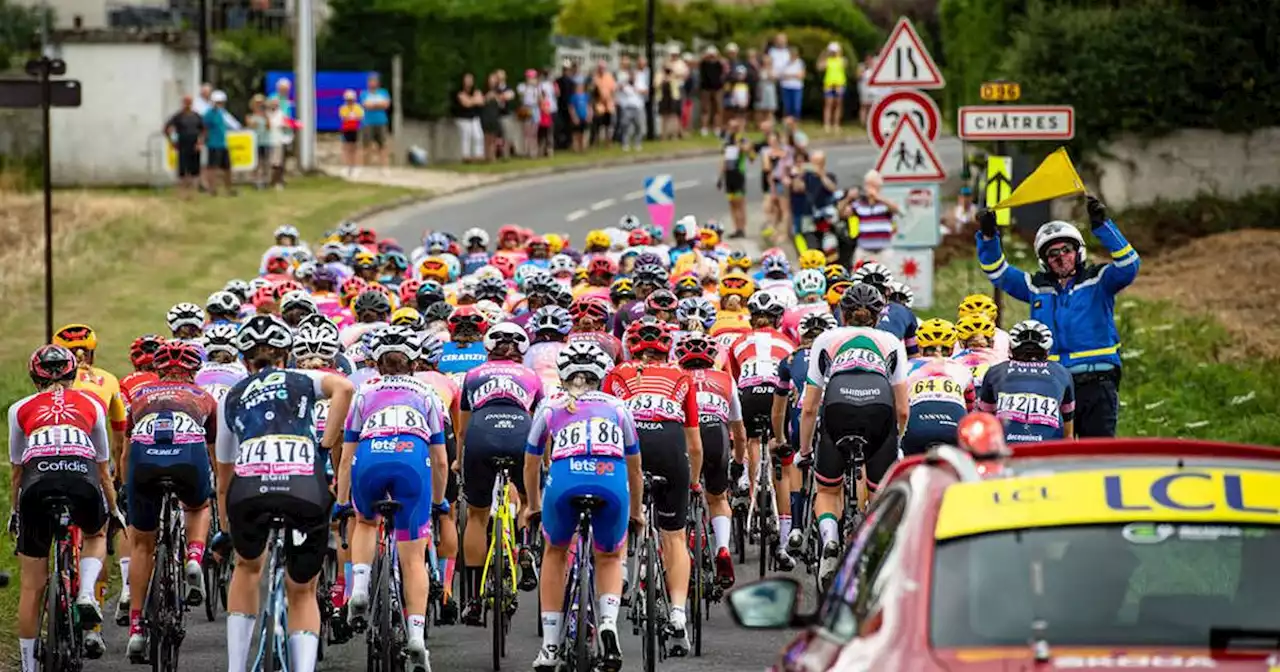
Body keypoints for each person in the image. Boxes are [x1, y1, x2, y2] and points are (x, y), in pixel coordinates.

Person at [213, 315, 354, 672]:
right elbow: (346, 389)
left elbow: (224, 474)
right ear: (286, 355)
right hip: (303, 484)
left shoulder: (233, 394)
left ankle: (235, 667)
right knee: (303, 589)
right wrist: (326, 443)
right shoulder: (302, 378)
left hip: (249, 489)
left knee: (246, 566)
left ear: (245, 360)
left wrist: (227, 526)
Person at [523, 342, 642, 672]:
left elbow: (531, 464)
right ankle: (607, 623)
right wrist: (637, 511)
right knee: (610, 555)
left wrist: (532, 506)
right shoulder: (618, 407)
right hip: (611, 481)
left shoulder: (550, 406)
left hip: (565, 480)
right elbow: (635, 468)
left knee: (555, 552)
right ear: (601, 377)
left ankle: (549, 645)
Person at [975, 198, 1138, 437]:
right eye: (1052, 254)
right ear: (1044, 260)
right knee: (1056, 451)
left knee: (1098, 452)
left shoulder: (1099, 279)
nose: (1061, 257)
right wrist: (989, 237)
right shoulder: (1036, 287)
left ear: (1078, 251)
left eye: (1066, 250)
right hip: (1053, 383)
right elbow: (997, 272)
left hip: (1097, 380)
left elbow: (1130, 265)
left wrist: (1104, 226)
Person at [339, 326, 447, 672]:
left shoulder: (362, 392)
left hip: (369, 457)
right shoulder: (428, 393)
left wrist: (343, 501)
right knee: (413, 556)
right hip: (412, 461)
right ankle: (416, 636)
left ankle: (359, 587)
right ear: (414, 362)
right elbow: (442, 459)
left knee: (366, 521)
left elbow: (345, 456)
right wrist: (440, 501)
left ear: (377, 363)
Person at [10, 345, 117, 671]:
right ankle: (86, 592)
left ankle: (28, 666)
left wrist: (16, 513)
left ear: (34, 378)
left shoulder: (19, 408)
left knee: (32, 585)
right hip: (81, 478)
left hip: (36, 482)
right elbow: (103, 469)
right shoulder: (93, 404)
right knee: (96, 533)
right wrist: (114, 510)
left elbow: (17, 471)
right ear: (73, 375)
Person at [602, 318, 702, 656]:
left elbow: (603, 422)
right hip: (671, 449)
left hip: (631, 450)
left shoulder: (617, 375)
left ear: (632, 346)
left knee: (619, 524)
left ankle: (622, 579)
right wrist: (695, 480)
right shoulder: (681, 376)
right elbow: (695, 444)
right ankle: (677, 614)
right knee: (673, 535)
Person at [798, 284, 908, 589]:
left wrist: (804, 451)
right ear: (878, 315)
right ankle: (874, 551)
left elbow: (809, 408)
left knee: (828, 490)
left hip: (837, 406)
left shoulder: (825, 339)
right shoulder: (891, 341)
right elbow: (902, 409)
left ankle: (831, 540)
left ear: (842, 314)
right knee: (878, 492)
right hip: (879, 410)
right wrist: (894, 441)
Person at [122, 341, 218, 657]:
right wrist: (214, 483)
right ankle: (193, 555)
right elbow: (214, 452)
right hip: (188, 455)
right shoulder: (204, 397)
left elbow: (125, 452)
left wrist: (126, 487)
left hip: (143, 459)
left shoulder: (138, 396)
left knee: (141, 544)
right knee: (198, 504)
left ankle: (136, 630)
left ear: (157, 369)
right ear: (194, 370)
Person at [457, 322, 544, 624]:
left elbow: (462, 430)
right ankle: (526, 546)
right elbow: (541, 424)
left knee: (478, 515)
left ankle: (472, 598)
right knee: (530, 496)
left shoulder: (473, 375)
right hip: (520, 432)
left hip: (481, 434)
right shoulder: (532, 376)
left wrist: (458, 461)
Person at [978, 319, 1076, 443]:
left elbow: (984, 420)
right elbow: (1069, 434)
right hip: (1049, 450)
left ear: (1012, 347)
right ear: (1047, 349)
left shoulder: (995, 371)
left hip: (1007, 447)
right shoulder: (1062, 372)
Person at [901, 319, 975, 456]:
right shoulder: (962, 369)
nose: (937, 354)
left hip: (918, 429)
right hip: (954, 428)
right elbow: (970, 405)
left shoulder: (907, 367)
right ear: (952, 349)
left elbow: (898, 404)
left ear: (920, 347)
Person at [842, 169, 901, 267]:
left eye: (874, 185)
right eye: (868, 185)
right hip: (864, 250)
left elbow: (896, 209)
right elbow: (843, 213)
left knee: (887, 278)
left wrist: (878, 197)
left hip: (883, 251)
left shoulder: (885, 203)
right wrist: (848, 198)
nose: (870, 189)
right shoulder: (860, 204)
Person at [164, 94, 204, 198]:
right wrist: (172, 141)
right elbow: (167, 128)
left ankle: (193, 193)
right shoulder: (178, 116)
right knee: (182, 170)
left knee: (195, 170)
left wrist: (200, 142)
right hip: (182, 145)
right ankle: (182, 193)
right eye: (186, 102)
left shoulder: (196, 116)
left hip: (195, 146)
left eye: (189, 102)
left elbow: (203, 130)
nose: (187, 104)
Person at [202, 90, 235, 196]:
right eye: (218, 102)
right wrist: (206, 139)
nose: (220, 104)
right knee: (212, 168)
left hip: (223, 143)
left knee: (227, 168)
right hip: (213, 144)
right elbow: (204, 128)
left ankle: (228, 189)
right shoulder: (208, 114)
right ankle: (212, 189)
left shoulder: (222, 113)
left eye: (221, 102)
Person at [360, 73, 392, 173]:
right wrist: (378, 104)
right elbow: (366, 105)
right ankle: (366, 167)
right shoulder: (364, 93)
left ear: (378, 82)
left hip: (381, 121)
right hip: (368, 122)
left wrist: (373, 105)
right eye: (371, 81)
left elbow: (386, 104)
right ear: (368, 82)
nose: (373, 83)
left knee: (383, 145)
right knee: (366, 145)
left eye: (374, 81)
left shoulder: (383, 92)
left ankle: (384, 168)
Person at [454, 73, 486, 163]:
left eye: (470, 80)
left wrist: (472, 100)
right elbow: (466, 103)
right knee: (466, 137)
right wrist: (474, 100)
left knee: (478, 136)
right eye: (467, 80)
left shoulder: (476, 91)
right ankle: (466, 156)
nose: (469, 82)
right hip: (463, 118)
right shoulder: (460, 92)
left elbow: (481, 102)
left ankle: (479, 155)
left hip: (474, 118)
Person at [817, 42, 848, 133]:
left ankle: (836, 124)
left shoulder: (842, 60)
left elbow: (844, 64)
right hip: (829, 84)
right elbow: (819, 66)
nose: (834, 53)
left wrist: (838, 54)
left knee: (838, 104)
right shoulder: (828, 60)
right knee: (828, 104)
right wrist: (824, 54)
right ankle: (827, 124)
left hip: (839, 84)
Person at [698, 45, 725, 137]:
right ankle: (704, 128)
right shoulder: (704, 64)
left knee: (718, 109)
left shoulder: (719, 64)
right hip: (706, 89)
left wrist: (718, 57)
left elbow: (723, 65)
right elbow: (700, 61)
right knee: (705, 109)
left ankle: (717, 127)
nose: (712, 57)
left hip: (718, 88)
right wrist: (705, 56)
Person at [338, 89, 364, 176]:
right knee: (346, 148)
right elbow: (344, 117)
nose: (349, 101)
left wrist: (351, 116)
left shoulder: (358, 107)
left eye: (351, 99)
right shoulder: (343, 108)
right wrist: (352, 116)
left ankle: (356, 167)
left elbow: (359, 116)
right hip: (346, 129)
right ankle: (348, 166)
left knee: (355, 148)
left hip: (355, 129)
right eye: (348, 99)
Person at [779, 46, 805, 120]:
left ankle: (795, 121)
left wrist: (790, 75)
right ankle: (788, 122)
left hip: (796, 87)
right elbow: (783, 75)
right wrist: (794, 75)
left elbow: (801, 75)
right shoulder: (785, 62)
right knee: (787, 106)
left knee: (796, 106)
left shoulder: (800, 62)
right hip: (786, 86)